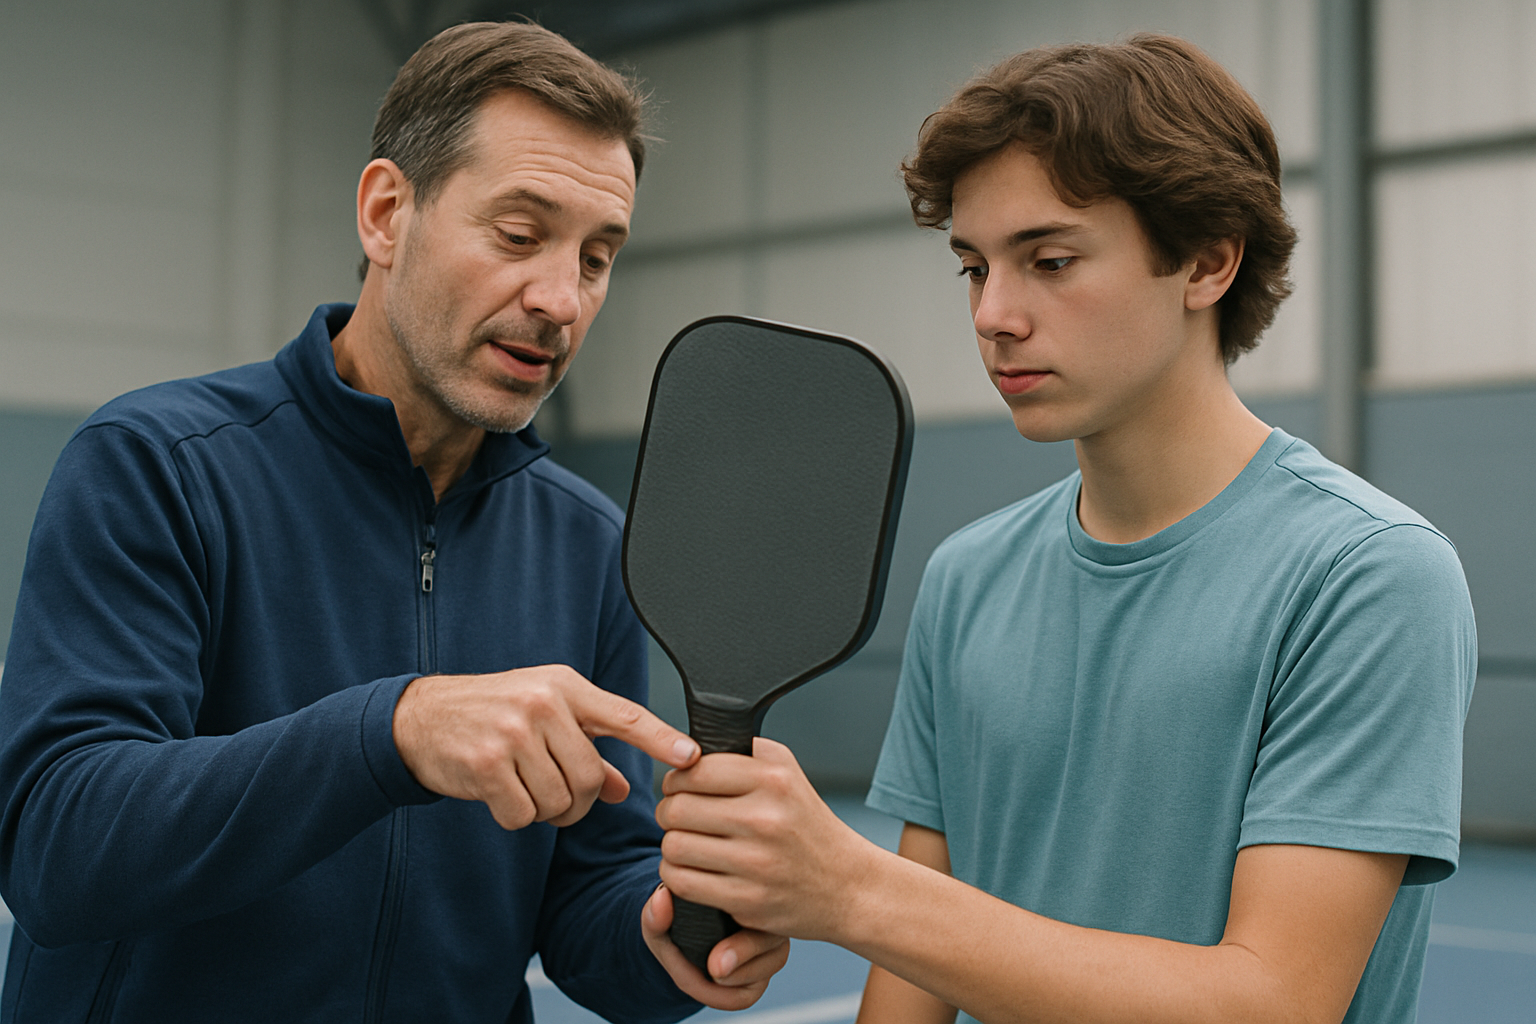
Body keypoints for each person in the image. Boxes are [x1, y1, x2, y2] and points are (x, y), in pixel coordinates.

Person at [654, 34, 1476, 1024]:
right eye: (973, 267)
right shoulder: (966, 579)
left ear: (1208, 262)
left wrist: (852, 890)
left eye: (1049, 260)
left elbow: (1274, 1002)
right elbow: (912, 985)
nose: (994, 314)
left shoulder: (1369, 576)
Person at [0, 21, 785, 1023]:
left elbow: (588, 895)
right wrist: (393, 731)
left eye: (597, 256)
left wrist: (680, 927)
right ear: (385, 213)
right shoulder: (156, 464)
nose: (559, 298)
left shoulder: (589, 544)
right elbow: (58, 844)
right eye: (518, 234)